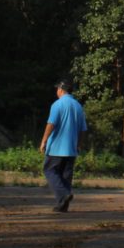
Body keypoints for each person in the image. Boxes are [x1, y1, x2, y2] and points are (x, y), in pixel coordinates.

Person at [40, 78, 88, 213]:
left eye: (57, 89)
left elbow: (51, 124)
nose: (56, 91)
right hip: (71, 148)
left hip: (56, 147)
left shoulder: (57, 105)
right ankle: (63, 205)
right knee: (65, 176)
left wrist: (44, 141)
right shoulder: (78, 106)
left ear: (61, 90)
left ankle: (64, 194)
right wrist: (79, 145)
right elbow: (83, 129)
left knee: (49, 170)